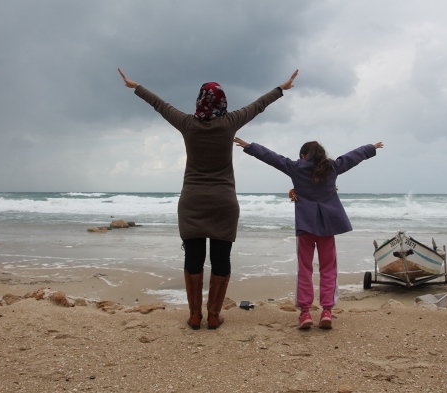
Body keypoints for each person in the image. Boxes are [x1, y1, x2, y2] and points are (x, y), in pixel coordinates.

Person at [118, 68, 299, 330]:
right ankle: (213, 315)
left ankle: (195, 315)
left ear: (200, 100)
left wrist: (136, 87)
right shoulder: (230, 122)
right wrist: (281, 89)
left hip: (192, 201)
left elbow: (160, 105)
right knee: (221, 258)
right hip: (223, 202)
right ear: (223, 101)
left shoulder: (188, 124)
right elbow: (258, 105)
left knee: (193, 257)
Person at [234, 137, 384, 329]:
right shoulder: (332, 167)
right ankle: (327, 311)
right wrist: (369, 148)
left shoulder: (296, 167)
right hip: (327, 227)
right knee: (328, 268)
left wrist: (250, 147)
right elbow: (351, 157)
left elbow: (272, 158)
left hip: (305, 226)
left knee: (305, 269)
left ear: (303, 156)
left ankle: (305, 313)